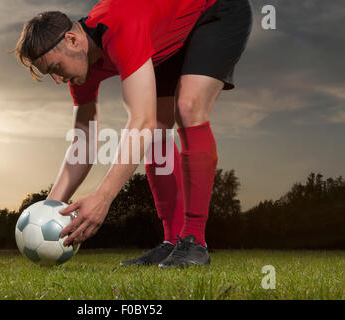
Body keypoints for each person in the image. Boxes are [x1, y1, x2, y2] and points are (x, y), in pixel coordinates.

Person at [13, 0, 252, 268]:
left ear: (72, 40)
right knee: (159, 134)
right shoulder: (81, 67)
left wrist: (103, 198)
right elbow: (83, 144)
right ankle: (173, 242)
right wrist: (52, 207)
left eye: (55, 68)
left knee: (188, 107)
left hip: (216, 11)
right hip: (168, 33)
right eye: (50, 74)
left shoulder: (120, 29)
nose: (57, 80)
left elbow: (141, 121)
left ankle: (194, 241)